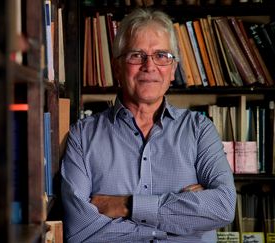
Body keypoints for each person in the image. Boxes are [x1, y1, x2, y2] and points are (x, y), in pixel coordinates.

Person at [60, 8, 236, 243]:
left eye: (162, 55)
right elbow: (80, 231)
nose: (150, 66)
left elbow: (223, 207)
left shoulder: (199, 129)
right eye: (136, 55)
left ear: (173, 70)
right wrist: (182, 221)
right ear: (117, 68)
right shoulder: (82, 135)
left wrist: (126, 205)